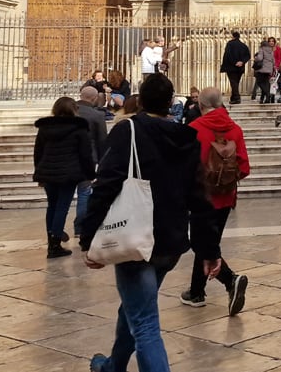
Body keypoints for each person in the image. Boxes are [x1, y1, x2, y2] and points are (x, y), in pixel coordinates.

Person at [82, 73, 223, 372]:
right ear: (172, 103)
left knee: (145, 323)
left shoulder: (128, 131)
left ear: (141, 100)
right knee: (135, 307)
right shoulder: (187, 137)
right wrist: (209, 250)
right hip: (169, 245)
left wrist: (88, 237)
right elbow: (200, 198)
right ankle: (113, 366)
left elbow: (105, 184)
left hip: (135, 241)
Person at [181, 87, 251, 315]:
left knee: (201, 242)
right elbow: (244, 168)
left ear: (200, 105)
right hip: (225, 197)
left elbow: (186, 168)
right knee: (207, 241)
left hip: (201, 198)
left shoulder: (193, 129)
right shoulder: (235, 129)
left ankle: (231, 280)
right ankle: (196, 292)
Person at [34, 97, 96, 258]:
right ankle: (55, 243)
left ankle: (52, 240)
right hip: (69, 173)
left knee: (52, 206)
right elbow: (85, 154)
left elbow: (38, 152)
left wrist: (39, 172)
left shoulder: (45, 128)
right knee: (62, 206)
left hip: (48, 172)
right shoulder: (79, 128)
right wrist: (90, 174)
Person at [74, 86, 110, 239]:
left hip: (68, 157)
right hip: (88, 158)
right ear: (95, 98)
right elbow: (102, 140)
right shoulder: (96, 115)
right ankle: (80, 227)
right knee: (84, 193)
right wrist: (103, 163)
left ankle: (55, 232)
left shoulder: (70, 112)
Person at [220, 31, 251, 104]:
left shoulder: (229, 44)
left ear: (232, 36)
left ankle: (237, 98)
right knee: (236, 82)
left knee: (233, 83)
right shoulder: (243, 45)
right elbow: (248, 56)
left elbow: (228, 55)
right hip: (240, 68)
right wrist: (242, 62)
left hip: (231, 67)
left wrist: (234, 63)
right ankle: (233, 97)